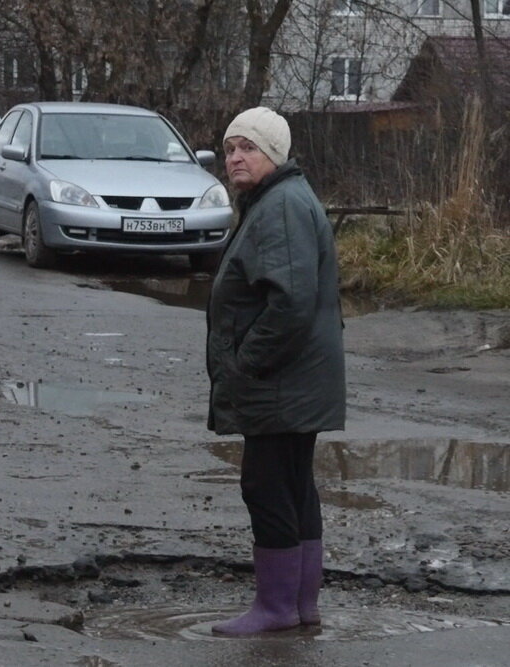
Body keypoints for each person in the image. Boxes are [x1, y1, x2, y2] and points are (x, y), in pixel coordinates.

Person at [206, 107, 346, 635]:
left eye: (249, 148)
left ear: (275, 154)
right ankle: (300, 605)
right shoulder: (278, 200)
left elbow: (288, 303)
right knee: (292, 487)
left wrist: (245, 366)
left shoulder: (281, 207)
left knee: (266, 488)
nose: (236, 158)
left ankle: (276, 607)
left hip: (280, 382)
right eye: (230, 148)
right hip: (296, 381)